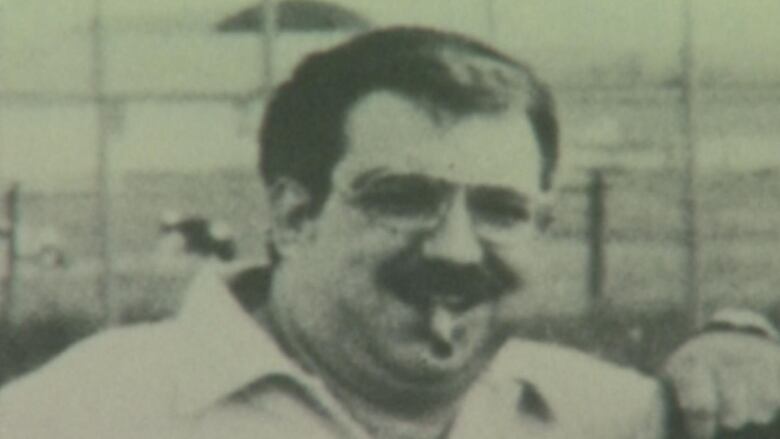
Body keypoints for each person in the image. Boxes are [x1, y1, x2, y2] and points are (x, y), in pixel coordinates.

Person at [1, 26, 779, 439]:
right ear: (293, 215)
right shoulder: (79, 415)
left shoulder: (621, 419)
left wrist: (750, 352)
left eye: (501, 210)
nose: (455, 248)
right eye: (403, 197)